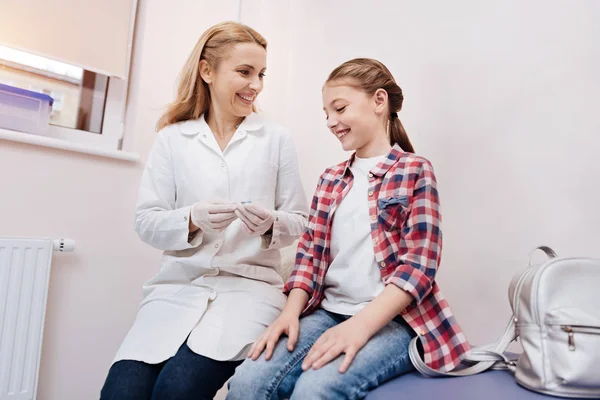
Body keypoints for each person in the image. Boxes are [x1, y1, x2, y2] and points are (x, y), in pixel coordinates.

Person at [226, 58, 471, 400]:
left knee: (315, 391)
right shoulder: (330, 178)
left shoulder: (415, 170)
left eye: (339, 109)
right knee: (246, 383)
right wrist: (289, 315)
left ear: (379, 101)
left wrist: (359, 327)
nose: (331, 122)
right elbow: (309, 256)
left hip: (395, 321)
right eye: (326, 113)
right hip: (328, 311)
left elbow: (419, 268)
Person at [100, 21, 308, 400]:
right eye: (245, 72)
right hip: (178, 288)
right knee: (120, 394)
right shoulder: (173, 139)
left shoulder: (275, 139)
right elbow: (146, 222)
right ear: (207, 71)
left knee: (176, 390)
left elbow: (299, 222)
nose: (256, 85)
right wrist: (191, 218)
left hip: (249, 291)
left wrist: (270, 225)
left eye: (261, 74)